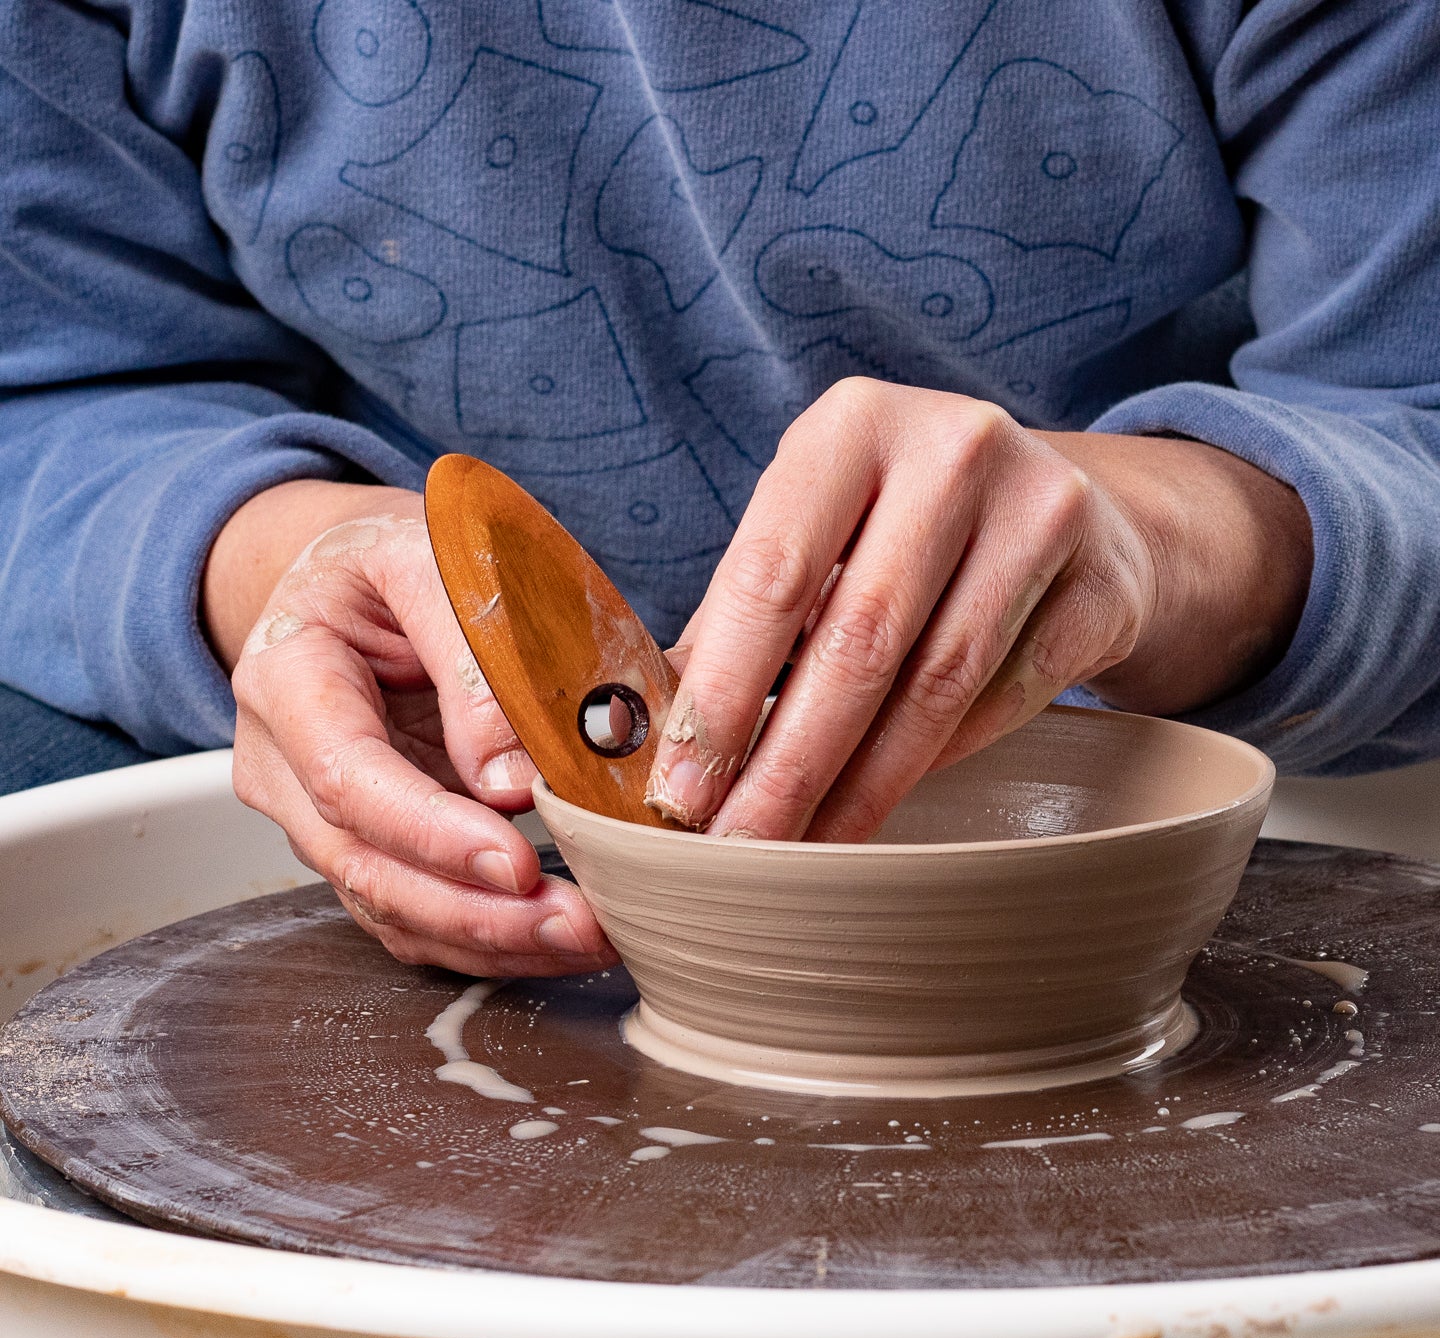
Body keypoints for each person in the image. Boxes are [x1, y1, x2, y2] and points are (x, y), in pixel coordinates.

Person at [1, 1, 1436, 976]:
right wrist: (282, 567)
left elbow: (1411, 412)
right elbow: (53, 389)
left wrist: (1165, 538)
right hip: (436, 776)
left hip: (1197, 757)